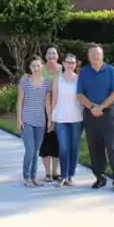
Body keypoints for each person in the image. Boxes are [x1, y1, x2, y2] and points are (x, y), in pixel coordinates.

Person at [76, 43, 114, 192]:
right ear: (88, 57)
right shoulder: (84, 72)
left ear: (102, 55)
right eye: (92, 55)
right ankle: (100, 177)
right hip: (90, 115)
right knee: (95, 147)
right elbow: (79, 95)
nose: (95, 57)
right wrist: (92, 107)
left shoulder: (111, 71)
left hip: (108, 113)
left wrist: (101, 107)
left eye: (98, 54)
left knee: (112, 146)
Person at [16, 56, 52, 187]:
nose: (36, 68)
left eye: (38, 65)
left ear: (42, 66)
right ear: (30, 68)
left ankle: (33, 177)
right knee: (30, 150)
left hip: (40, 120)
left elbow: (47, 103)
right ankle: (26, 177)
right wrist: (19, 119)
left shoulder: (47, 82)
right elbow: (20, 102)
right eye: (33, 66)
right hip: (27, 120)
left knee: (36, 151)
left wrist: (49, 120)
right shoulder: (25, 80)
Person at [50, 51, 85, 186]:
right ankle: (63, 175)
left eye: (73, 62)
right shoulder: (57, 78)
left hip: (77, 118)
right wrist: (52, 118)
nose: (70, 64)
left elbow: (83, 98)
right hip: (61, 118)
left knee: (74, 147)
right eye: (68, 62)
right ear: (63, 63)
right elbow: (54, 98)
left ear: (75, 64)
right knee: (64, 147)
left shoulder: (79, 79)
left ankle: (71, 175)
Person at [38, 45, 62, 182]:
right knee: (47, 140)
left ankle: (55, 172)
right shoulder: (40, 70)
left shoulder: (62, 69)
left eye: (54, 53)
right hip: (44, 110)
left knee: (58, 141)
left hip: (60, 109)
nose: (52, 56)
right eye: (49, 53)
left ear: (58, 55)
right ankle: (47, 173)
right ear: (45, 56)